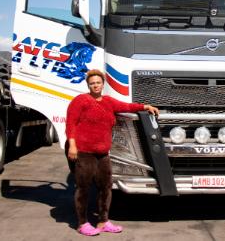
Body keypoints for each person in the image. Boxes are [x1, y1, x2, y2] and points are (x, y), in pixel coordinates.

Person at [65, 69, 159, 236]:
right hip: (84, 152)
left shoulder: (109, 102)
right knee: (84, 188)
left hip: (103, 154)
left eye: (98, 83)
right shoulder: (81, 100)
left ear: (103, 84)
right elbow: (71, 123)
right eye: (92, 83)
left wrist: (145, 106)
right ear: (88, 85)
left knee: (106, 187)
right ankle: (82, 223)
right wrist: (72, 145)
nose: (95, 85)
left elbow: (127, 106)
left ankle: (103, 221)